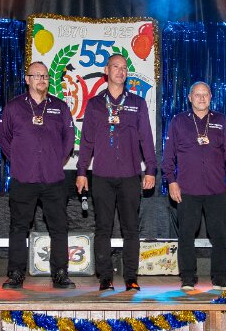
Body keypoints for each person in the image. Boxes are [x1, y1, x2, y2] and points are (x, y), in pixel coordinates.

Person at [76, 54, 157, 291]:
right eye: (116, 67)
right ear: (106, 70)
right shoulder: (94, 104)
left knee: (131, 229)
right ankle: (105, 277)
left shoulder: (137, 103)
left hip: (130, 175)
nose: (120, 71)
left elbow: (146, 138)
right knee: (103, 228)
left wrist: (151, 169)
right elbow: (86, 142)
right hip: (102, 176)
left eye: (124, 68)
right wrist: (81, 171)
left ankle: (131, 277)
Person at [0, 61, 76, 289]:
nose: (41, 80)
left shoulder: (60, 107)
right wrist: (20, 161)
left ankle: (60, 273)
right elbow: (4, 139)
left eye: (45, 76)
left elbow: (69, 139)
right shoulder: (14, 107)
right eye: (36, 76)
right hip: (24, 177)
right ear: (27, 79)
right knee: (19, 227)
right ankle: (15, 274)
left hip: (53, 178)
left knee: (59, 227)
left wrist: (56, 160)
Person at [162, 82, 226, 291]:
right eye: (197, 94)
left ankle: (221, 277)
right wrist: (171, 181)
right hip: (187, 189)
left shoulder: (221, 121)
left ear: (211, 96)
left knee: (220, 235)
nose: (202, 98)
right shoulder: (178, 121)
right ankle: (188, 277)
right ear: (189, 97)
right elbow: (168, 156)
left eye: (205, 94)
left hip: (216, 189)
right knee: (186, 234)